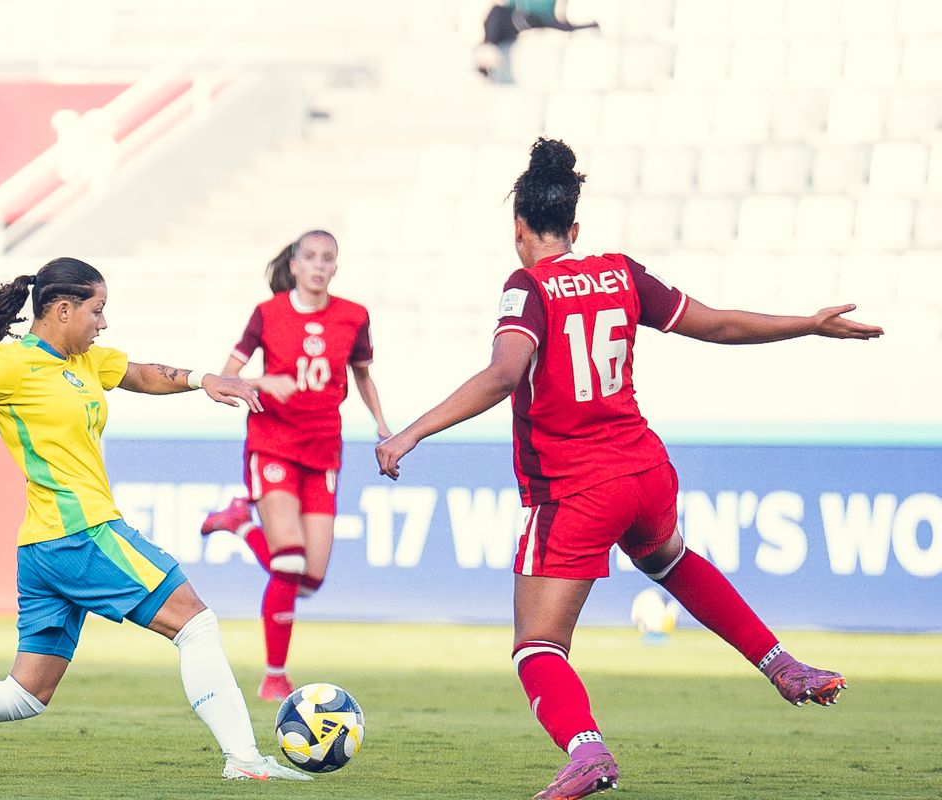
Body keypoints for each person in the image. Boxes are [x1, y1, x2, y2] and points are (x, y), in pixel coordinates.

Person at [375, 138, 879, 799]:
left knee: (538, 646)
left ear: (519, 228)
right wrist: (807, 324)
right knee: (669, 560)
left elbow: (505, 373)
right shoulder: (619, 272)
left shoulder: (527, 287)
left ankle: (587, 753)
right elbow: (720, 325)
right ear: (575, 228)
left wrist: (410, 431)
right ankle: (783, 666)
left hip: (576, 489)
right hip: (645, 470)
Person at [0, 258, 311, 781]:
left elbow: (140, 374)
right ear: (61, 309)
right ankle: (245, 760)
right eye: (97, 311)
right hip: (81, 533)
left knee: (25, 693)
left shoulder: (86, 360)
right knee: (195, 623)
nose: (103, 322)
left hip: (45, 546)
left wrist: (202, 378)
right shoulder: (12, 365)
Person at [198, 230, 390, 702]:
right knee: (288, 559)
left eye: (328, 258)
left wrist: (383, 425)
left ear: (335, 267)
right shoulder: (268, 315)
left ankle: (240, 523)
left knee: (310, 578)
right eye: (310, 257)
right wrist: (264, 381)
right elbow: (227, 376)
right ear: (296, 265)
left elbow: (362, 374)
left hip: (323, 451)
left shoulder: (353, 317)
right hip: (273, 444)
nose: (319, 265)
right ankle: (274, 676)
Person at [477, 0, 599, 84]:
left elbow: (557, 22)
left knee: (496, 16)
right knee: (497, 16)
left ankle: (487, 51)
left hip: (523, 19)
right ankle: (487, 52)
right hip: (516, 20)